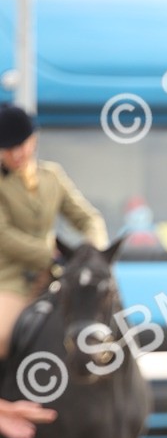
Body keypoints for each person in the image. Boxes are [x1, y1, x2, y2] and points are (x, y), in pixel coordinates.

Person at [0, 104, 108, 361]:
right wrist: (50, 255)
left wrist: (90, 251)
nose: (17, 154)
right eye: (8, 148)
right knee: (1, 337)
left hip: (57, 279)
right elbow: (3, 236)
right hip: (12, 280)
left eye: (22, 145)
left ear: (33, 140)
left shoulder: (52, 176)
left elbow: (87, 217)